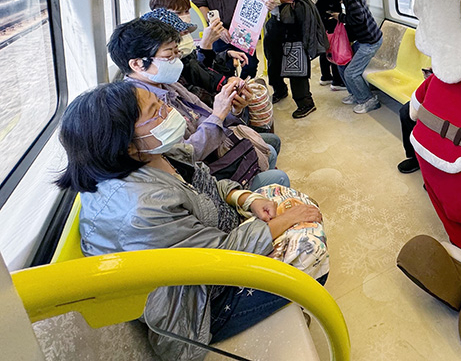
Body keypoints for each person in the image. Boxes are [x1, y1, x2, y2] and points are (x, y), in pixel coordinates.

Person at [55, 82, 326, 361]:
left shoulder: (157, 152)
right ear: (125, 144)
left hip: (218, 239)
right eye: (155, 111)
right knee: (312, 250)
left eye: (161, 103)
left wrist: (245, 198)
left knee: (279, 199)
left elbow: (207, 186)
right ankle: (289, 302)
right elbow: (219, 258)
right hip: (202, 308)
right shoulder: (141, 208)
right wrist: (289, 219)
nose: (168, 111)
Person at [108, 17, 285, 189]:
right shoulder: (140, 107)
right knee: (276, 169)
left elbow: (204, 113)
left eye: (176, 52)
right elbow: (184, 157)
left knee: (269, 146)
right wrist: (218, 115)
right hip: (200, 172)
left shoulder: (167, 83)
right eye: (169, 54)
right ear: (138, 64)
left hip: (214, 150)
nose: (176, 60)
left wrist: (233, 109)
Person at [141, 5, 247, 107]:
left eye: (187, 11)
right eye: (170, 52)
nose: (184, 38)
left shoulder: (185, 60)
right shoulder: (159, 89)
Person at [260, 0, 318, 119]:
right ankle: (280, 90)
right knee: (273, 60)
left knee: (297, 64)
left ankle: (305, 102)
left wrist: (297, 3)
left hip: (295, 26)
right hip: (275, 23)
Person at [330, 0, 383, 114]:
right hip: (364, 38)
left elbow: (357, 18)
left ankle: (368, 100)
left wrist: (339, 17)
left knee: (351, 73)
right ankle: (356, 94)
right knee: (343, 65)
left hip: (370, 40)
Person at [314, 0, 346, 91]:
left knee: (325, 49)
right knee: (335, 50)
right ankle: (337, 81)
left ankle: (325, 76)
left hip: (321, 22)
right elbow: (339, 0)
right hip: (331, 21)